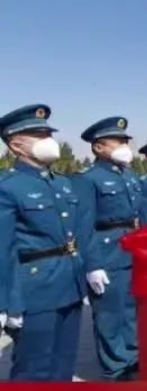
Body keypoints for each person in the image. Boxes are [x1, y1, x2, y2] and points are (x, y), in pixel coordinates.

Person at [0, 104, 87, 381]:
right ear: (16, 144)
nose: (48, 140)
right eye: (39, 135)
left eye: (48, 133)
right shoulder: (8, 186)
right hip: (34, 290)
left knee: (64, 363)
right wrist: (6, 303)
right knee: (34, 368)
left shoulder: (62, 183)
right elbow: (3, 250)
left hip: (70, 284)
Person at [72, 116, 147, 381]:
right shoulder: (88, 179)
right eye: (117, 141)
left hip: (130, 247)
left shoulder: (129, 175)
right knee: (109, 313)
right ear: (98, 147)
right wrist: (92, 265)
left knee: (130, 309)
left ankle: (133, 356)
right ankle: (116, 367)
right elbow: (83, 226)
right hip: (106, 252)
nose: (124, 146)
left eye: (125, 140)